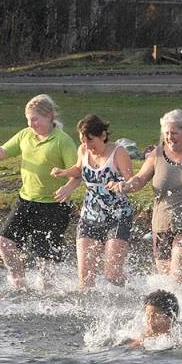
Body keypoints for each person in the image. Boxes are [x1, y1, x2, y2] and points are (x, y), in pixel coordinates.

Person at [0, 94, 78, 288]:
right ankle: (19, 283)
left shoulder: (62, 141)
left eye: (35, 119)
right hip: (26, 202)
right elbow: (3, 151)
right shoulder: (25, 135)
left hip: (53, 207)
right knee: (4, 242)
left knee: (45, 266)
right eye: (28, 120)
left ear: (49, 116)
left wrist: (67, 188)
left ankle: (51, 305)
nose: (31, 124)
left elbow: (77, 172)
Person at [110, 109, 182, 283]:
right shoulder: (157, 154)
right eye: (167, 133)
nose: (169, 137)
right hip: (162, 226)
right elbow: (140, 179)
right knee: (167, 280)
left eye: (174, 133)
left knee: (178, 277)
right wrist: (125, 186)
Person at [51, 114, 134, 287]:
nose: (87, 146)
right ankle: (86, 310)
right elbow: (79, 171)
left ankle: (129, 297)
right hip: (89, 216)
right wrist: (65, 176)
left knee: (112, 274)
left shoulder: (118, 152)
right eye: (83, 141)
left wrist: (121, 185)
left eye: (91, 141)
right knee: (85, 278)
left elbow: (132, 181)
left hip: (117, 217)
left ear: (103, 136)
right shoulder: (83, 150)